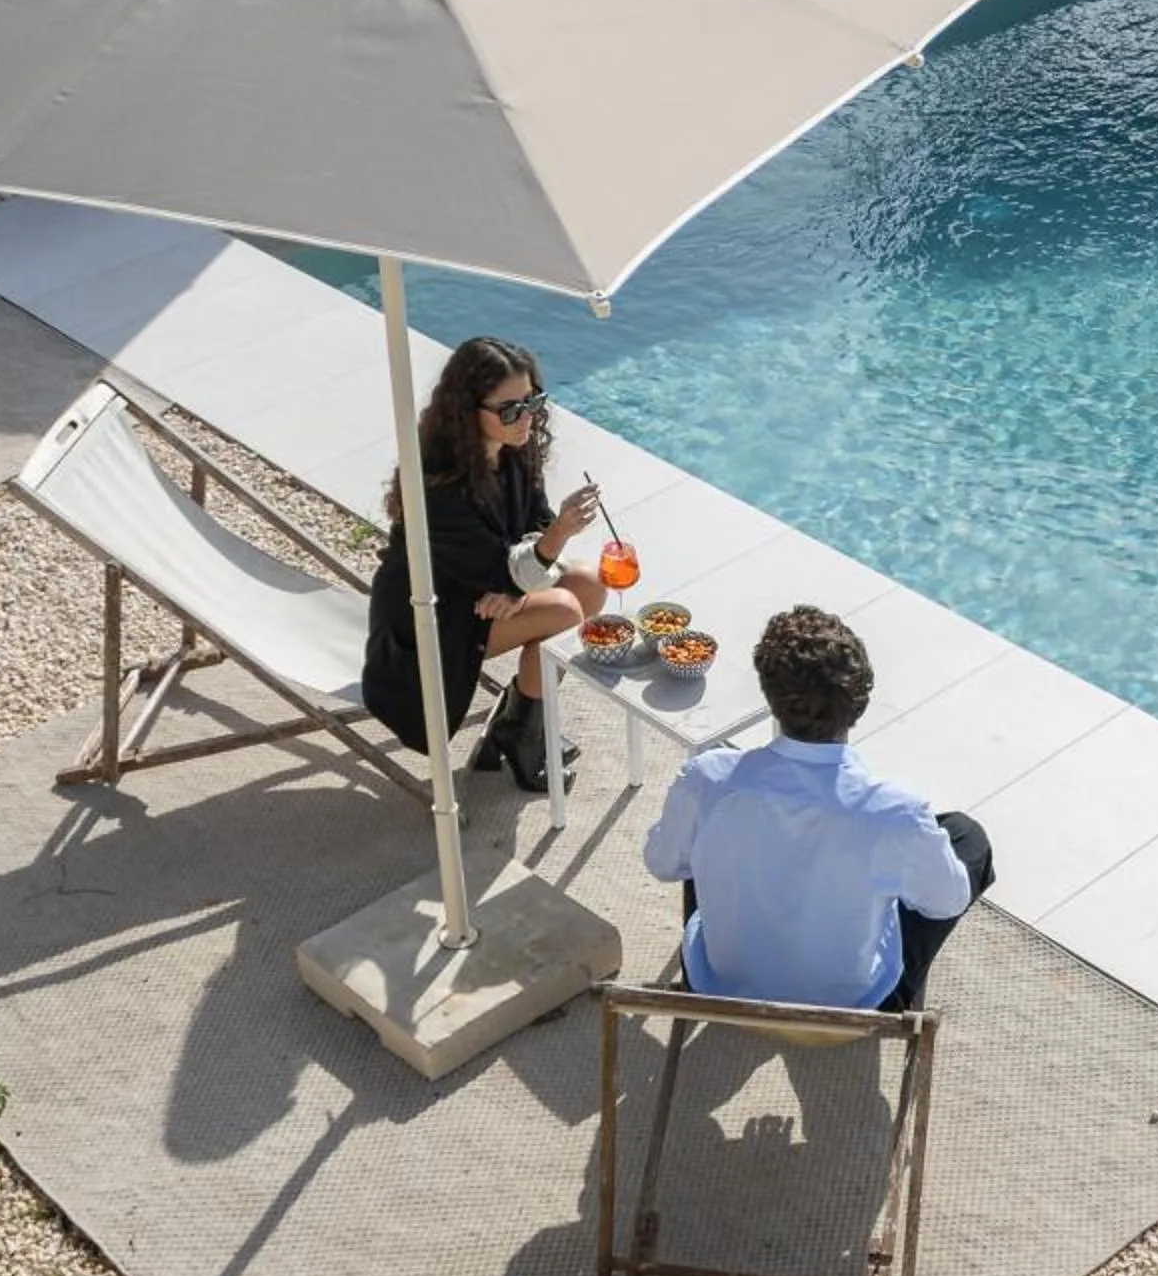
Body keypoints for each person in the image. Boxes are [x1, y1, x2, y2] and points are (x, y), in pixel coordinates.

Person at [642, 603, 995, 1011]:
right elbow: (945, 902)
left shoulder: (707, 778)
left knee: (701, 833)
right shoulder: (896, 813)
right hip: (851, 1005)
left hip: (721, 988)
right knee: (965, 837)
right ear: (859, 706)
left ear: (770, 696)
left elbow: (663, 864)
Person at [362, 336, 605, 794]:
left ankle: (519, 721)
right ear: (466, 409)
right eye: (510, 409)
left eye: (533, 401)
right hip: (428, 623)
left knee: (590, 585)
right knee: (566, 613)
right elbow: (522, 556)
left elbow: (536, 524)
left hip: (484, 596)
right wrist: (527, 569)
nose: (527, 417)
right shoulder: (437, 486)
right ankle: (522, 735)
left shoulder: (514, 451)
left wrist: (517, 584)